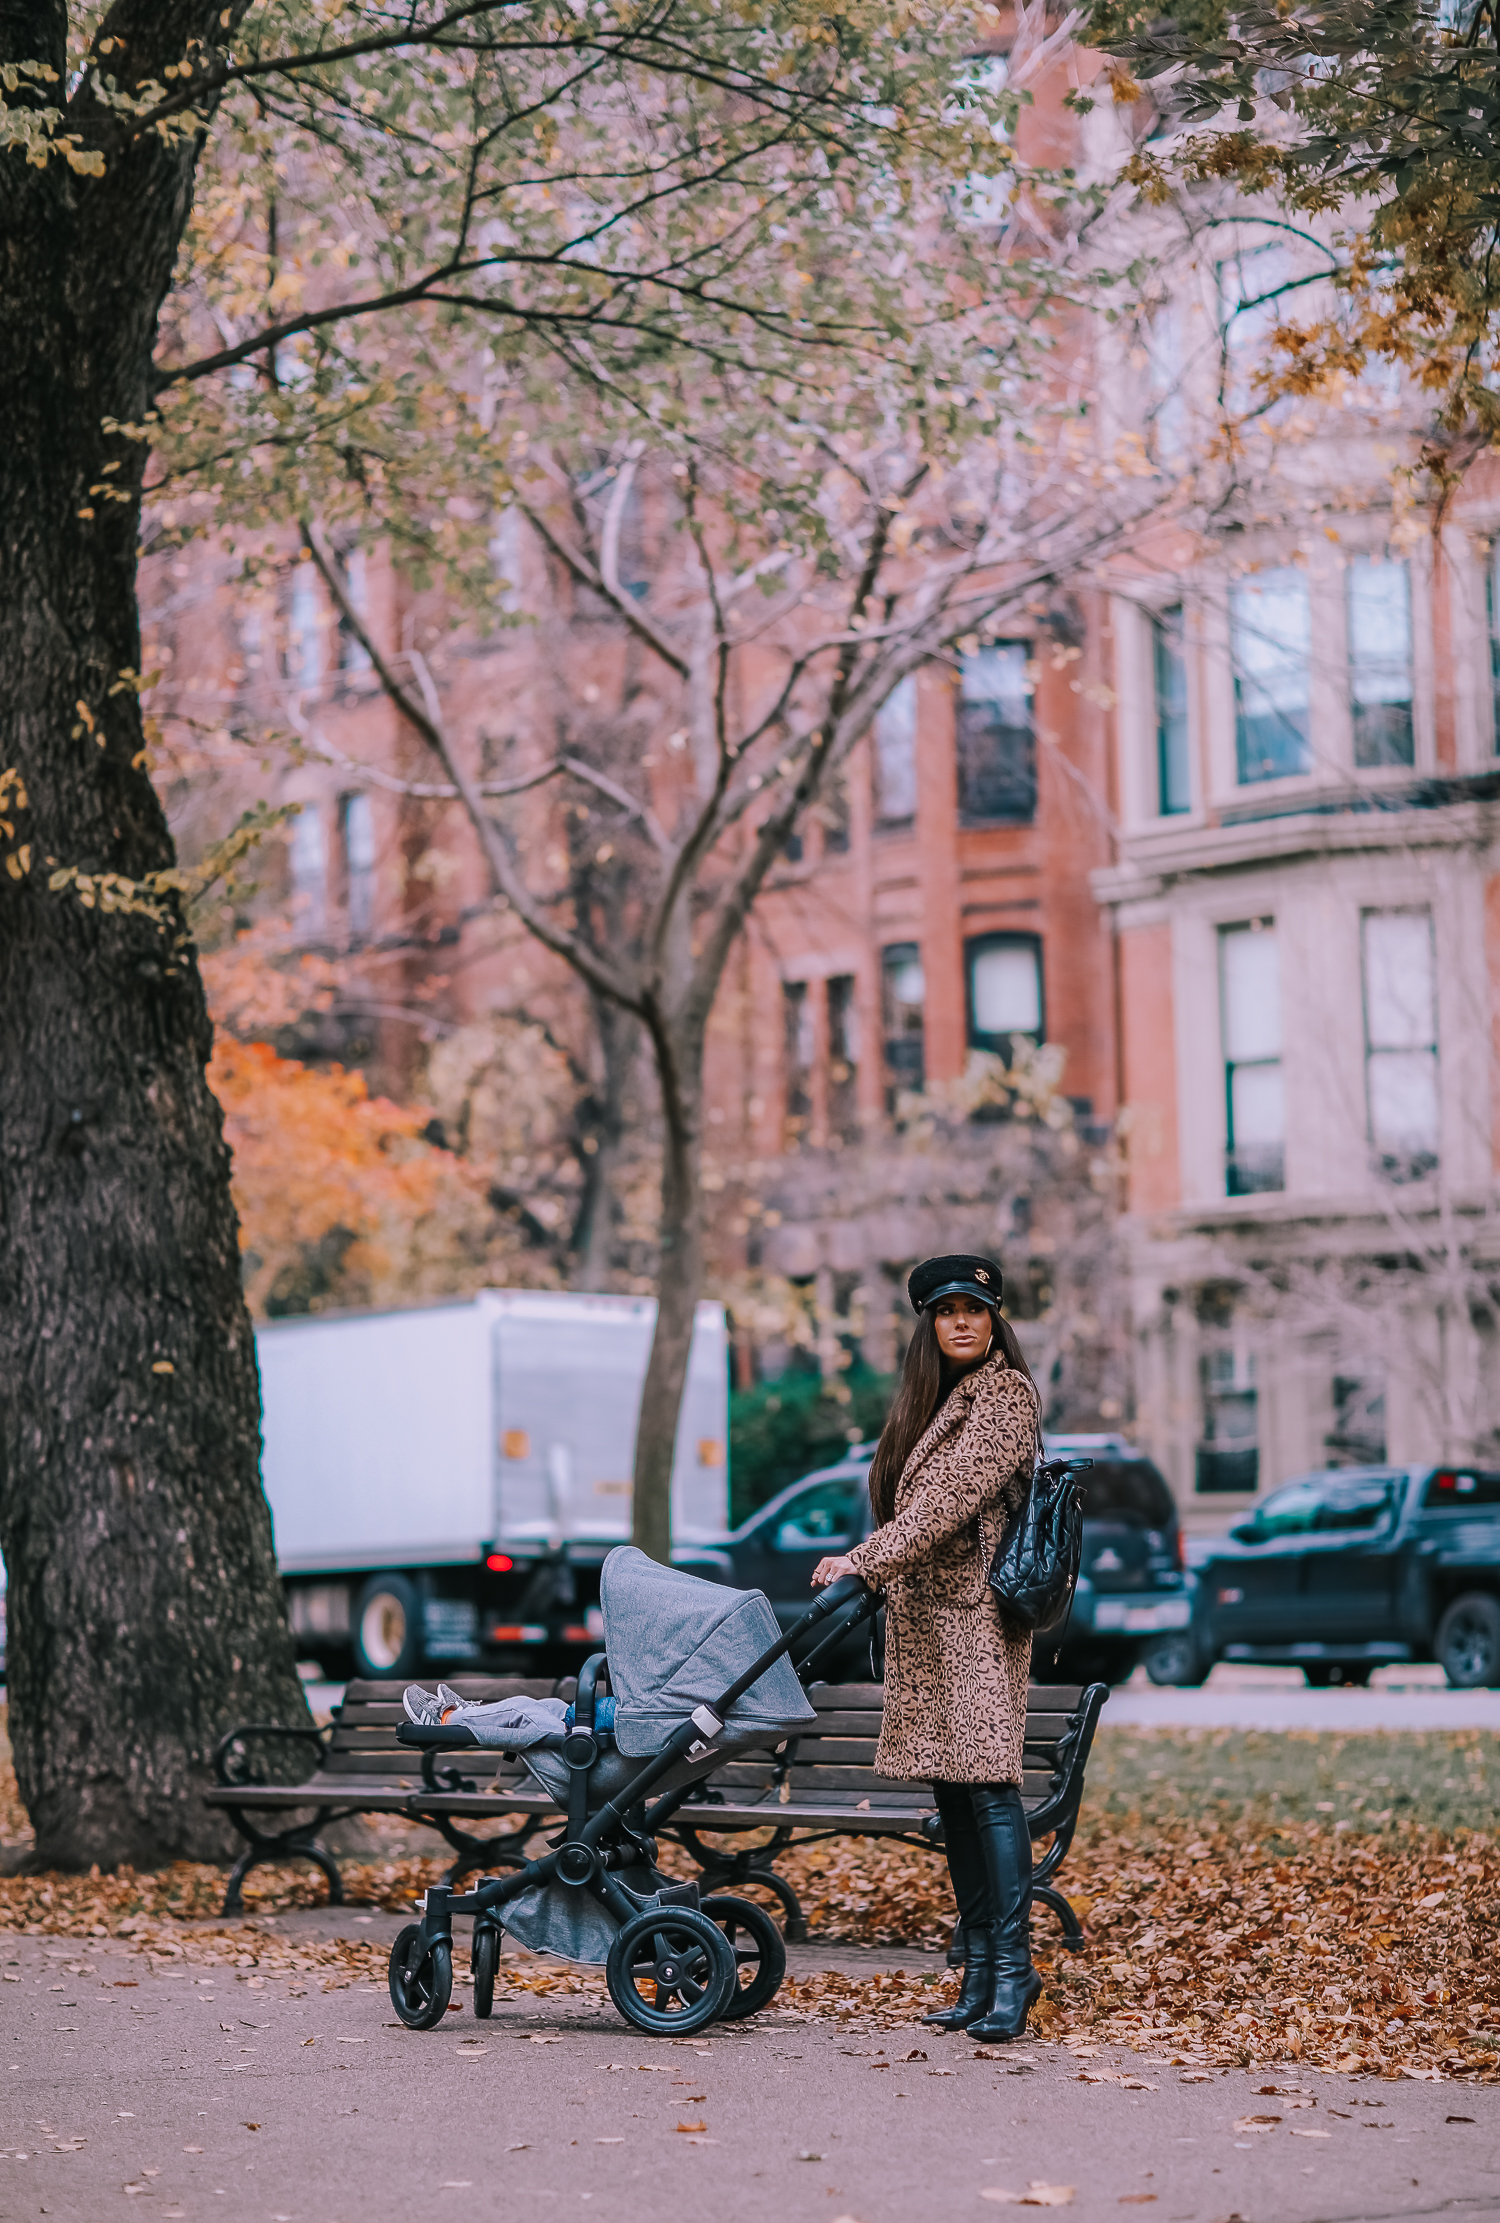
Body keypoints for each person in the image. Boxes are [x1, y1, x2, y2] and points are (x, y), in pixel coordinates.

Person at [812, 1252, 1042, 2043]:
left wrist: (864, 1559)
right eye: (947, 1311)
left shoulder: (1005, 1395)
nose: (962, 1322)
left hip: (977, 1621)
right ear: (928, 1325)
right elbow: (916, 1496)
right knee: (954, 1792)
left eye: (975, 1309)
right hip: (929, 1621)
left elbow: (952, 1498)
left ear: (994, 1317)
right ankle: (978, 1974)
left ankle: (1014, 1970)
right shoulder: (931, 1404)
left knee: (988, 1787)